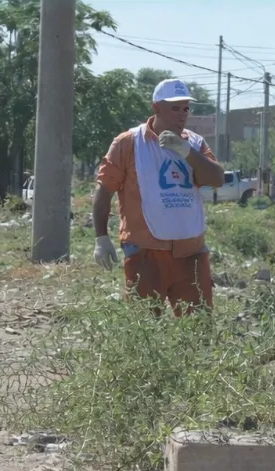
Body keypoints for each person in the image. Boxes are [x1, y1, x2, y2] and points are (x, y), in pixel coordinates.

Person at [92, 78, 225, 316]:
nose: (181, 115)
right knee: (144, 331)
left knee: (198, 331)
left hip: (191, 254)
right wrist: (101, 238)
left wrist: (186, 152)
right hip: (145, 253)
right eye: (175, 108)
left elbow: (216, 178)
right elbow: (104, 190)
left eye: (185, 108)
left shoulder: (194, 142)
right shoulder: (129, 143)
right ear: (156, 108)